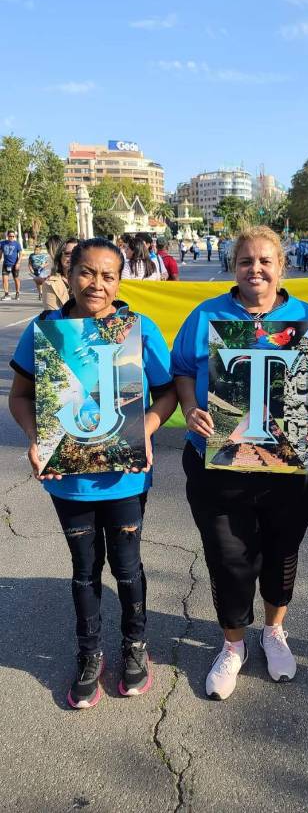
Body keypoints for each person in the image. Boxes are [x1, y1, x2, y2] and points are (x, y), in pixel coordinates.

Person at [172, 226, 308, 701]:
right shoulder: (207, 314)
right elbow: (182, 369)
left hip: (292, 463)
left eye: (265, 261)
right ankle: (232, 643)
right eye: (246, 261)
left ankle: (274, 631)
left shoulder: (307, 317)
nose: (256, 269)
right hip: (219, 460)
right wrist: (190, 408)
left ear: (281, 266)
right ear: (234, 267)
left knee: (283, 549)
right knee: (229, 556)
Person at [9, 238, 177, 709]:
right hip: (70, 477)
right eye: (87, 272)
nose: (96, 284)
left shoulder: (139, 329)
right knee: (84, 570)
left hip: (125, 474)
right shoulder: (45, 330)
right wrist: (34, 437)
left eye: (108, 275)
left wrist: (145, 428)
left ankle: (135, 646)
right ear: (69, 272)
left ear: (120, 281)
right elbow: (20, 397)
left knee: (126, 567)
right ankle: (89, 654)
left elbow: (166, 395)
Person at [41, 237, 79, 310]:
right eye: (67, 254)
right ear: (60, 257)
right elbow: (53, 318)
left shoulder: (93, 282)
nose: (72, 257)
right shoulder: (50, 284)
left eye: (77, 253)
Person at [0, 228, 23, 300]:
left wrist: (18, 263)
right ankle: (6, 294)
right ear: (7, 236)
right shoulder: (3, 243)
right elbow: (0, 253)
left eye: (13, 236)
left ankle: (17, 293)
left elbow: (21, 254)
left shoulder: (17, 244)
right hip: (6, 264)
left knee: (16, 279)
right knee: (4, 279)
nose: (12, 237)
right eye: (10, 236)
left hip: (14, 264)